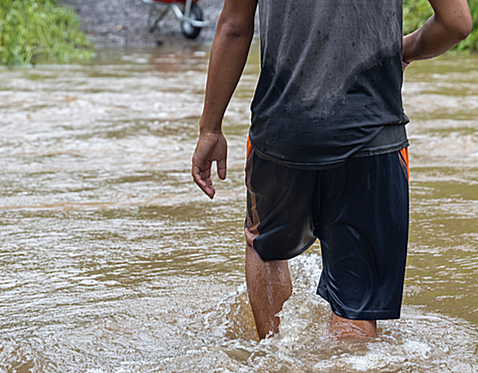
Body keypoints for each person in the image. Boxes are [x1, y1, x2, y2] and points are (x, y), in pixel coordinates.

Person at [192, 0, 472, 340]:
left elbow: (234, 27)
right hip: (372, 137)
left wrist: (210, 129)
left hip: (282, 133)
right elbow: (456, 23)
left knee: (264, 247)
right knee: (355, 307)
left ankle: (271, 353)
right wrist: (406, 47)